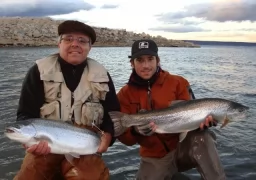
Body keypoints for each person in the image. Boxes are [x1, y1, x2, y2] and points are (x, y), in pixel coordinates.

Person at [14, 20, 120, 180]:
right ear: (59, 43)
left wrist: (109, 135)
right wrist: (30, 142)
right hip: (45, 149)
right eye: (68, 39)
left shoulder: (102, 75)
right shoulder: (38, 72)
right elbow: (25, 115)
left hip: (84, 150)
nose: (75, 44)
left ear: (89, 47)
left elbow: (113, 114)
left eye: (82, 41)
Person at [116, 39, 226, 180]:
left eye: (150, 59)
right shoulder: (125, 94)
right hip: (154, 156)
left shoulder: (179, 83)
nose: (146, 65)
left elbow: (193, 118)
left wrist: (204, 124)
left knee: (203, 137)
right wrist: (135, 130)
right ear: (132, 63)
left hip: (183, 147)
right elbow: (126, 140)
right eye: (140, 60)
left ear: (158, 60)